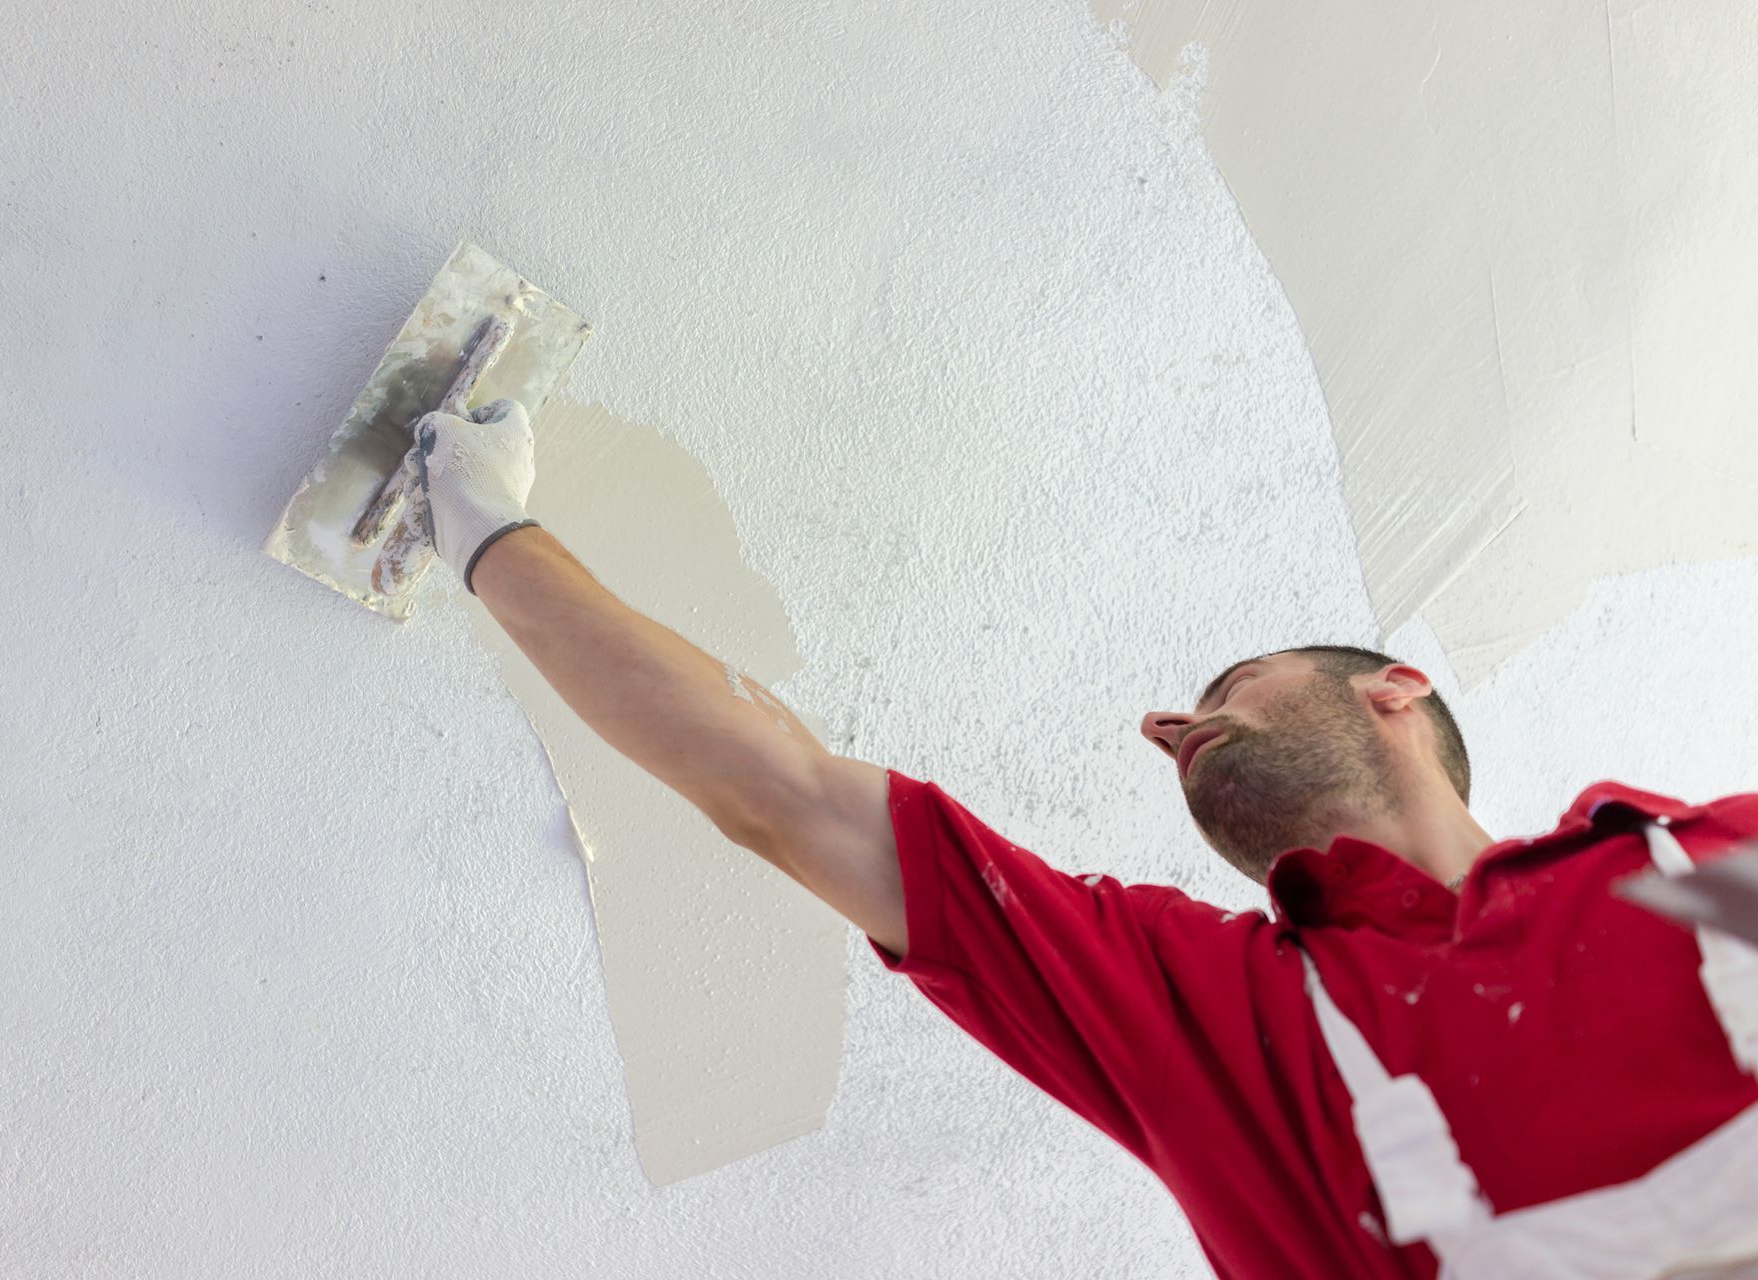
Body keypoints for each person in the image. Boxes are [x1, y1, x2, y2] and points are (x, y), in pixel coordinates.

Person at [404, 399, 1758, 1279]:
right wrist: (483, 529)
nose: (1176, 724)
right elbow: (789, 795)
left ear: (1394, 692)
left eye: (1234, 688)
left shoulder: (1672, 859)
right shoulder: (1214, 1021)